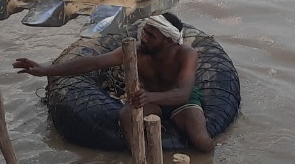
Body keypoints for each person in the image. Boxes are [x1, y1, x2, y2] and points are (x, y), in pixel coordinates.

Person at [12, 13, 216, 153]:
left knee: (202, 143)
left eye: (151, 36)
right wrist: (45, 70)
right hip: (152, 99)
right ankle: (137, 162)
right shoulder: (136, 50)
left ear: (168, 41)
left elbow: (182, 93)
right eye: (144, 32)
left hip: (181, 101)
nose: (143, 38)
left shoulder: (187, 54)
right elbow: (93, 62)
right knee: (126, 115)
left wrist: (151, 96)